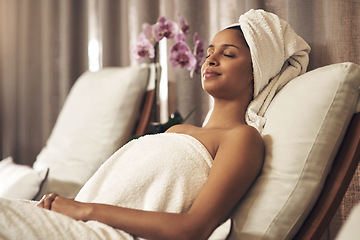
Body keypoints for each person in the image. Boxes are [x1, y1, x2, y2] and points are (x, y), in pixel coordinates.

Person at [0, 9, 310, 240]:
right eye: (209, 53)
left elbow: (196, 228)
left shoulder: (242, 138)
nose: (211, 60)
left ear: (258, 70)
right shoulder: (177, 132)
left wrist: (84, 211)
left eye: (228, 54)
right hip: (74, 219)